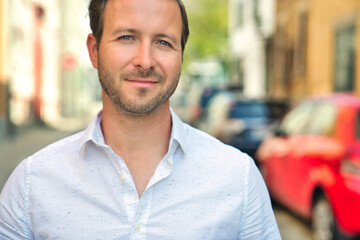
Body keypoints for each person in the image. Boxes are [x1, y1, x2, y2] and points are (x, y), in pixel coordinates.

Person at [0, 0, 281, 239]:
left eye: (163, 42)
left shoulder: (237, 179)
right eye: (127, 37)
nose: (145, 61)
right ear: (94, 50)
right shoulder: (30, 186)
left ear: (180, 54)